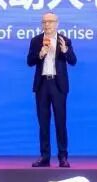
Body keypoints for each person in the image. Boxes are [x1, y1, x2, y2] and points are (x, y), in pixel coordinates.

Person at [26, 12, 76, 167]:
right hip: (42, 85)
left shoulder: (64, 40)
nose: (47, 24)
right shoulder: (36, 41)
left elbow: (73, 61)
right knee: (43, 123)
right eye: (44, 22)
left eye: (50, 21)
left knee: (60, 122)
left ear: (57, 23)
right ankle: (45, 157)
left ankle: (63, 157)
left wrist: (66, 51)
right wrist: (40, 54)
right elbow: (29, 61)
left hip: (58, 85)